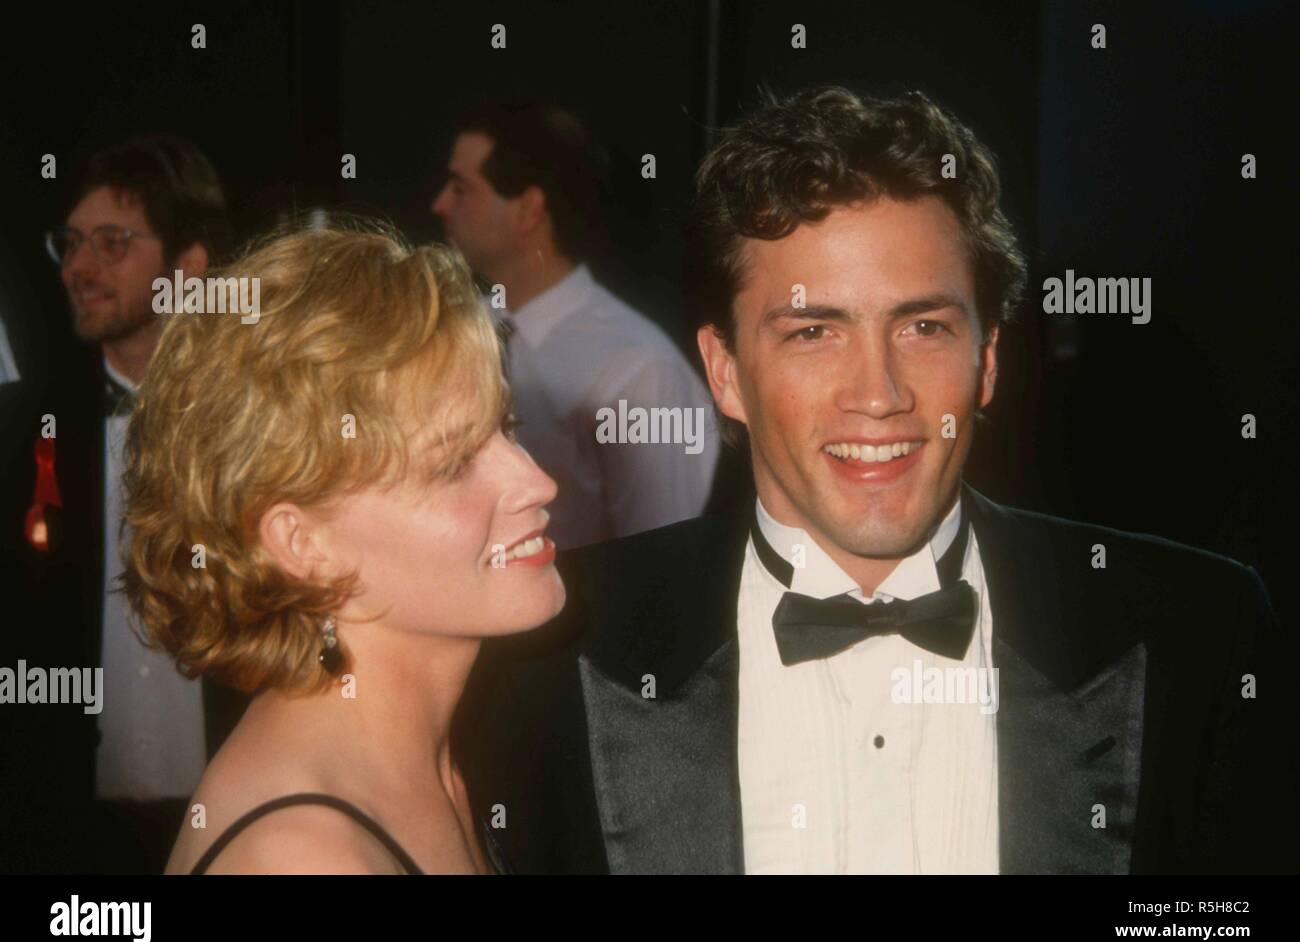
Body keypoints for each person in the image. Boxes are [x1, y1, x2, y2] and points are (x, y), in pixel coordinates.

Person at [455, 86, 1298, 874]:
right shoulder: (551, 654)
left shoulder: (1197, 635)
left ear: (988, 360)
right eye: (814, 332)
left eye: (924, 325)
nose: (879, 395)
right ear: (724, 373)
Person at [118, 222, 564, 874]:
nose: (537, 480)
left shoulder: (439, 765)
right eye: (453, 463)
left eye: (507, 425)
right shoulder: (304, 857)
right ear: (303, 544)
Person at [0, 134, 236, 873]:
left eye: (111, 242)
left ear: (188, 266)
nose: (77, 267)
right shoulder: (19, 430)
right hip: (62, 838)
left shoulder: (262, 431)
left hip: (235, 823)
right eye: (70, 243)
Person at [431, 100, 720, 549]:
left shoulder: (638, 370)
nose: (439, 205)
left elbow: (661, 558)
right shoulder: (450, 334)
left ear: (528, 209)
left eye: (461, 188)